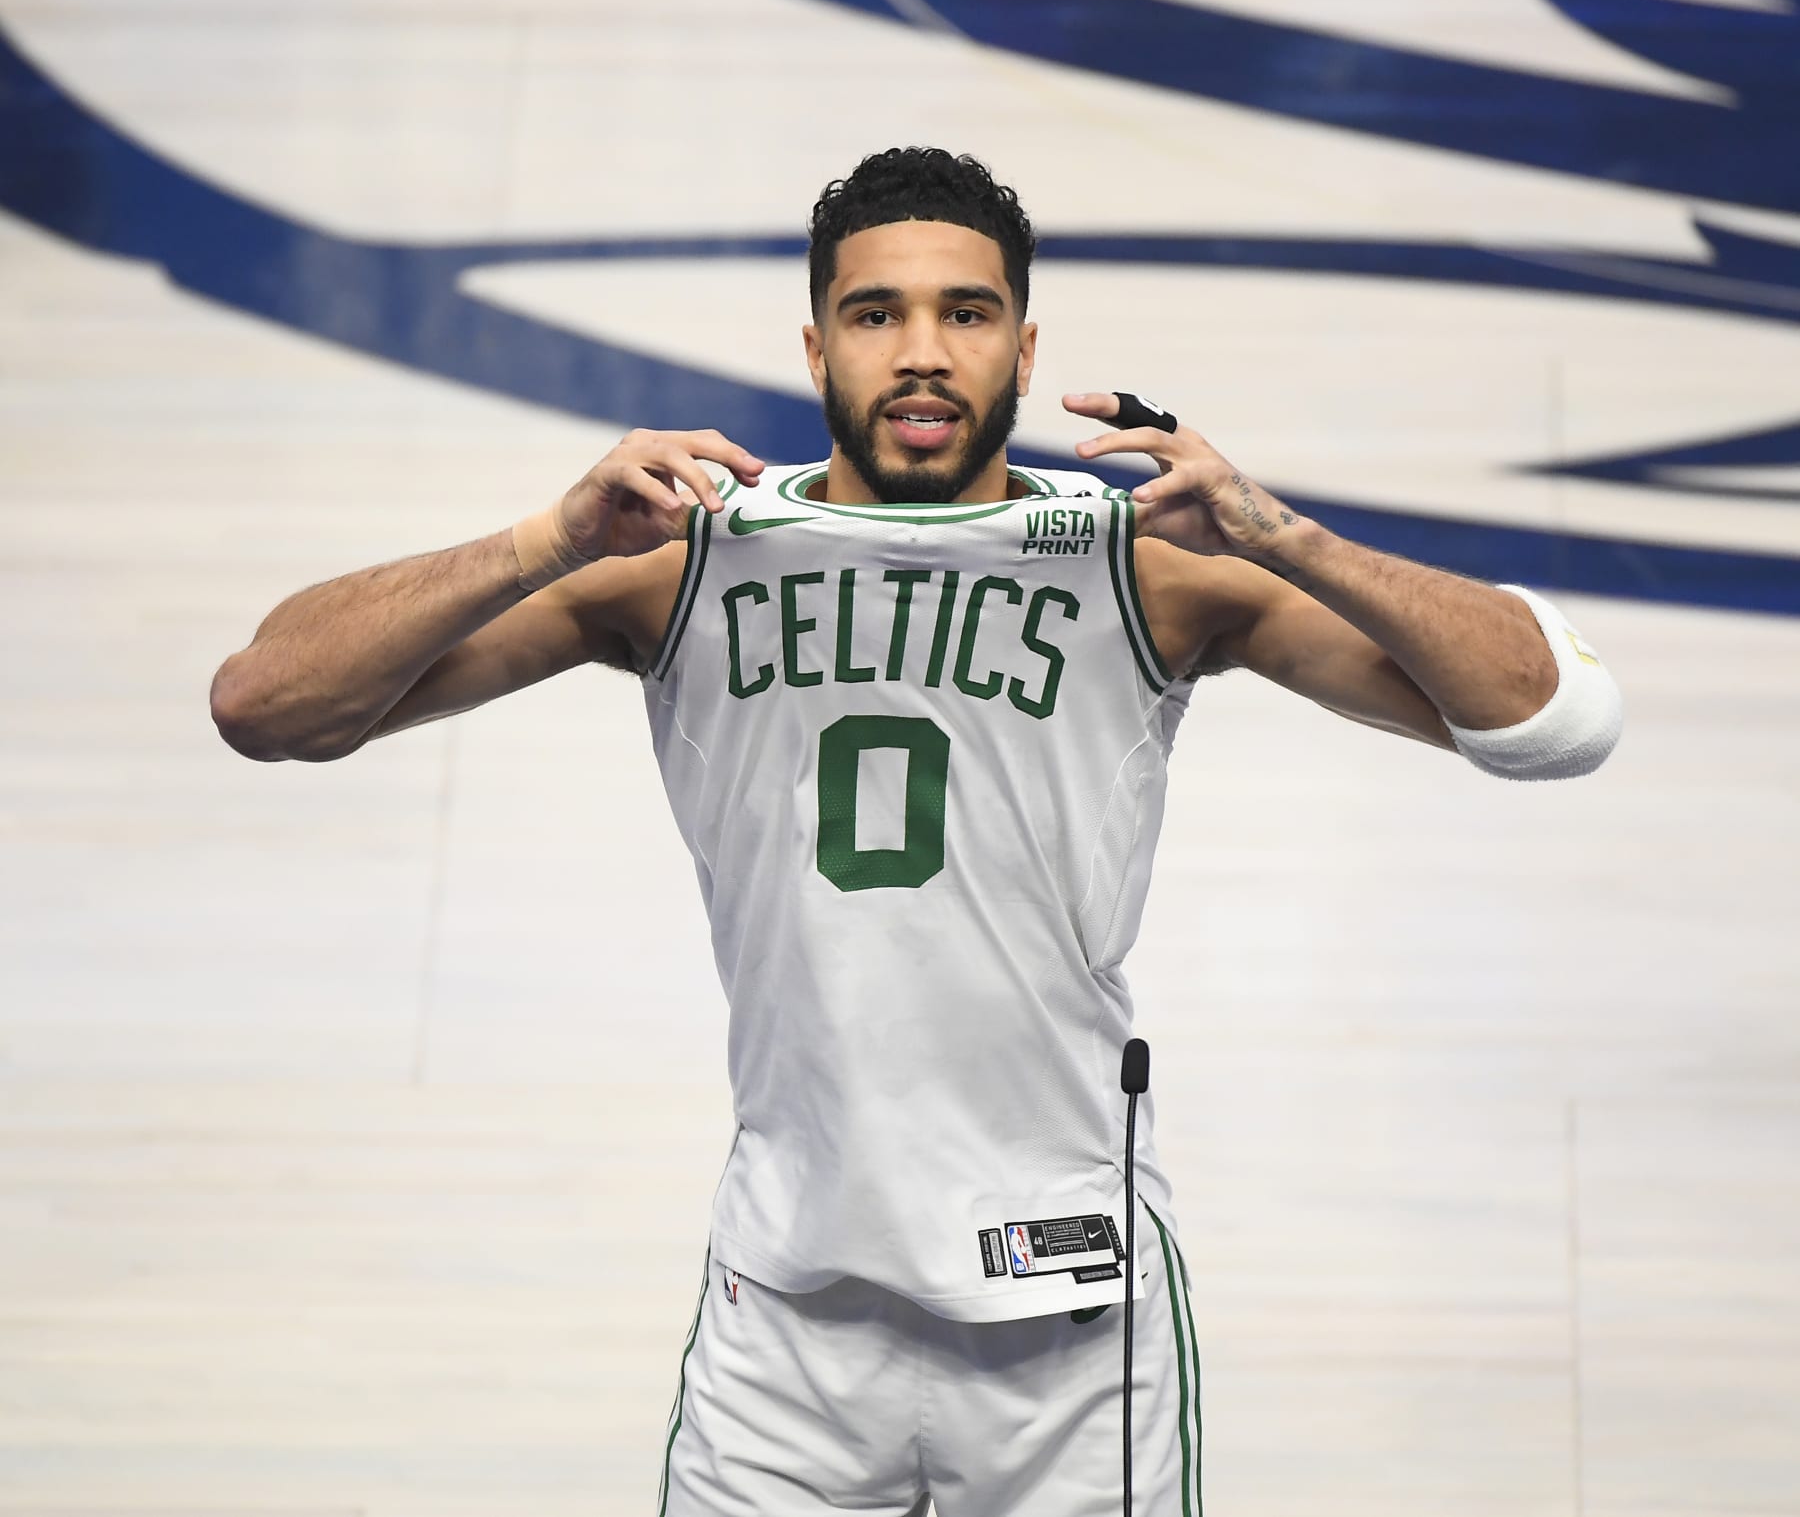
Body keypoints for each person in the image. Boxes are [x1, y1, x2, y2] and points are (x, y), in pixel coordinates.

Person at [210, 147, 1622, 1515]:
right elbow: (268, 703)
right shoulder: (682, 557)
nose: (925, 351)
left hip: (1073, 1324)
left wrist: (1282, 535)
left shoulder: (1146, 565)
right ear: (817, 352)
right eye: (876, 314)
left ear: (1023, 343)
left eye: (967, 311)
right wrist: (545, 541)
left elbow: (1558, 720)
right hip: (788, 1315)